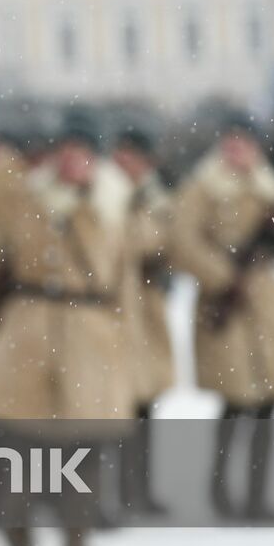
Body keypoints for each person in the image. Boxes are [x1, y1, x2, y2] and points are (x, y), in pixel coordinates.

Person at [0, 118, 133, 546]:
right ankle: (16, 519)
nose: (71, 161)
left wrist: (126, 338)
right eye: (63, 151)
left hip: (91, 328)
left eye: (81, 153)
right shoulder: (28, 199)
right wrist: (12, 165)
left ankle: (76, 536)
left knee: (84, 443)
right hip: (32, 325)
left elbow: (123, 275)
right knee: (26, 438)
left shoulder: (111, 204)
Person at [170, 115, 274, 522]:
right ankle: (222, 489)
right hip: (225, 307)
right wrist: (223, 276)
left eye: (244, 143)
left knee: (269, 402)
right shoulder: (202, 189)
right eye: (231, 142)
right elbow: (183, 242)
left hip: (264, 304)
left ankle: (257, 495)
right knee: (234, 401)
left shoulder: (268, 188)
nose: (237, 151)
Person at [111, 127, 176, 516]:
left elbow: (165, 241)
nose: (125, 163)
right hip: (112, 310)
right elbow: (128, 243)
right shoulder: (105, 197)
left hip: (146, 310)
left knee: (144, 405)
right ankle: (110, 491)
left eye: (133, 156)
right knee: (107, 405)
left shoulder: (155, 198)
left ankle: (139, 486)